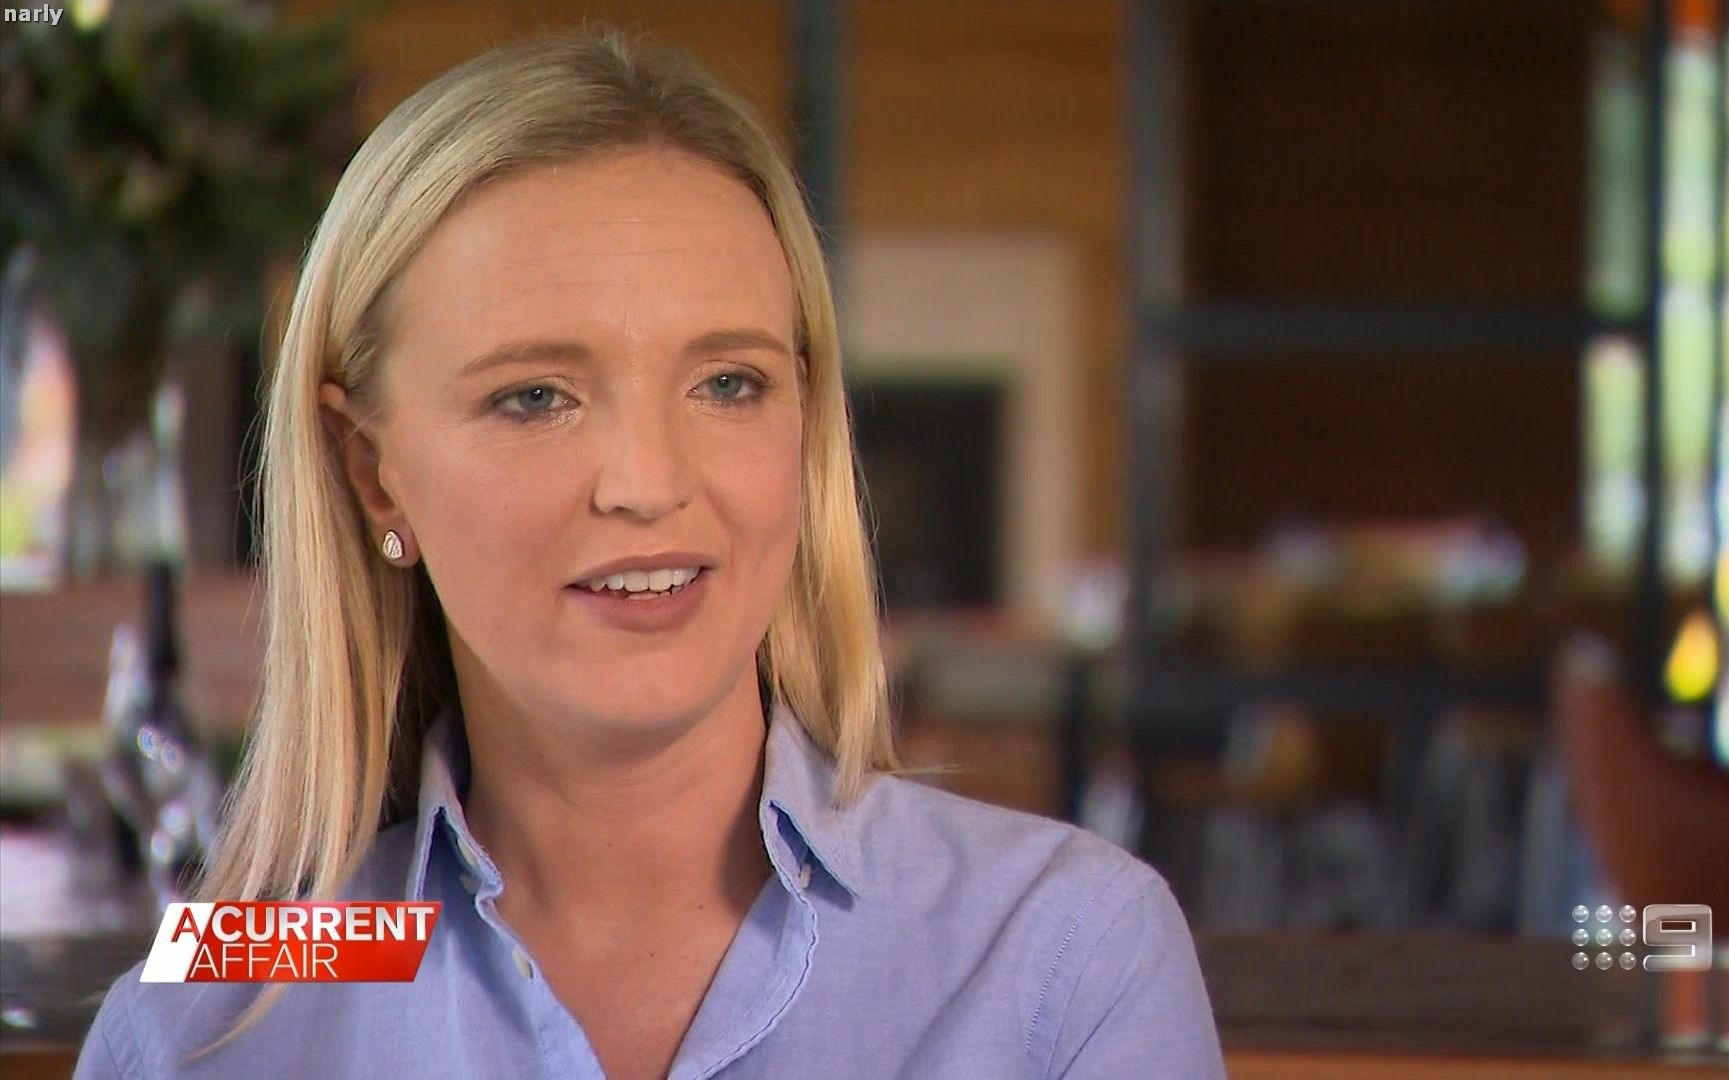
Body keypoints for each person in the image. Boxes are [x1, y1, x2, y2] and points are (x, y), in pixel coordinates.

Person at [75, 24, 1225, 1080]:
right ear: (373, 470)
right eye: (535, 396)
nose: (648, 483)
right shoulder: (218, 1004)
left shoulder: (1060, 950)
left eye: (728, 383)